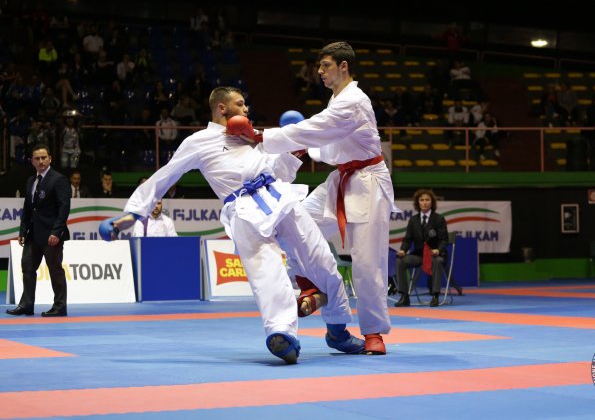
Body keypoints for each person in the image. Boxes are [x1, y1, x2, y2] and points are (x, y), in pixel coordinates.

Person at [98, 86, 363, 364]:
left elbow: (278, 171)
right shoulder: (198, 142)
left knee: (322, 260)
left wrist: (291, 149)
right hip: (243, 210)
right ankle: (282, 333)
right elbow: (166, 175)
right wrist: (131, 214)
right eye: (240, 103)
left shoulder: (253, 136)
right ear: (222, 108)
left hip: (279, 197)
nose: (246, 108)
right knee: (267, 271)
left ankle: (337, 330)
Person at [245, 41, 398, 355]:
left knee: (367, 263)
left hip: (368, 182)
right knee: (294, 223)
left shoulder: (353, 100)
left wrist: (263, 136)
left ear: (343, 66)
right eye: (319, 67)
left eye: (325, 66)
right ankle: (312, 285)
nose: (319, 72)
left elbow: (319, 129)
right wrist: (303, 146)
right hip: (341, 178)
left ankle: (373, 333)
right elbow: (327, 140)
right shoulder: (337, 99)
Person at [7, 144, 71, 317]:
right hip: (33, 234)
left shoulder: (59, 179)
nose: (41, 161)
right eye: (37, 158)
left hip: (51, 234)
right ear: (32, 161)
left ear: (50, 158)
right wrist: (22, 231)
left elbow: (64, 208)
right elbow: (28, 209)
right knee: (27, 267)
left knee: (55, 270)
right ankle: (27, 304)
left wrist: (56, 232)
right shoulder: (31, 181)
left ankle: (60, 306)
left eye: (44, 157)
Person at [394, 189, 462, 308]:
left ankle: (435, 295)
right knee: (400, 261)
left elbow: (444, 240)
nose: (424, 202)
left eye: (427, 200)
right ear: (418, 203)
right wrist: (403, 250)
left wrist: (438, 250)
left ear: (431, 202)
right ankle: (404, 296)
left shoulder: (439, 219)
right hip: (419, 256)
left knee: (437, 261)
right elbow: (407, 239)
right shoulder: (413, 220)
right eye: (422, 200)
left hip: (436, 255)